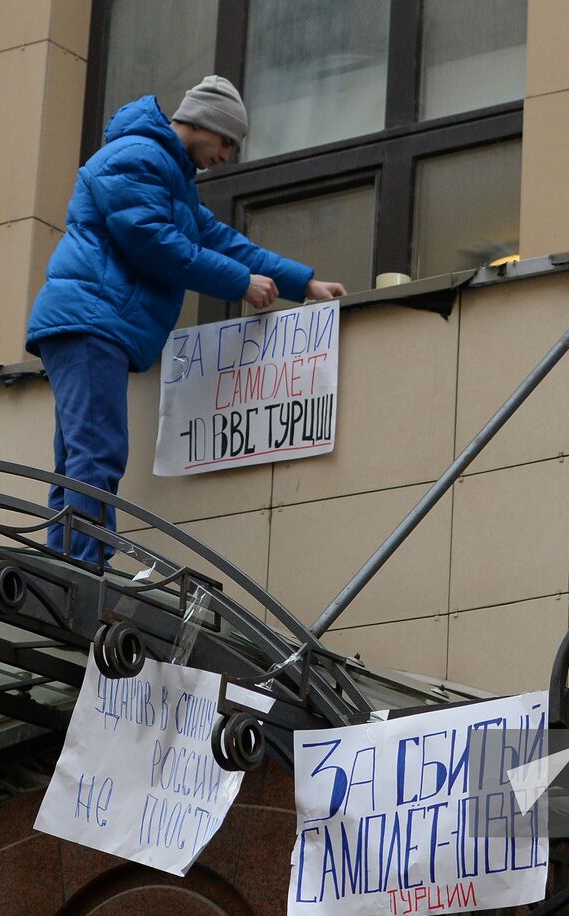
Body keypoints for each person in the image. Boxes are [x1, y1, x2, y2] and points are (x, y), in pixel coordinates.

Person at [26, 76, 346, 562]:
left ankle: (68, 561)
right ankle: (80, 568)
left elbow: (222, 241)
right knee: (97, 451)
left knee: (80, 453)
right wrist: (240, 283)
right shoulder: (137, 157)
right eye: (226, 141)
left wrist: (304, 284)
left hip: (91, 321)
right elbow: (154, 243)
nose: (226, 155)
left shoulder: (168, 176)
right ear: (204, 124)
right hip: (92, 321)